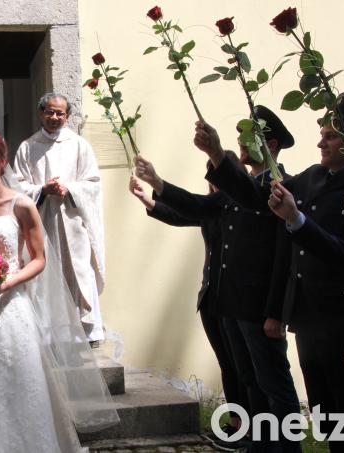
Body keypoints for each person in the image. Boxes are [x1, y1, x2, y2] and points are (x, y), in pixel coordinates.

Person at [136, 106, 303, 453]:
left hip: (259, 310)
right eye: (239, 135)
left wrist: (276, 311)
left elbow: (282, 259)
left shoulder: (279, 188)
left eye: (250, 135)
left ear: (270, 145)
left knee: (275, 387)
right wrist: (157, 184)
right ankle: (261, 445)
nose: (241, 141)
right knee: (252, 383)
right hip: (231, 306)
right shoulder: (242, 188)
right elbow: (198, 207)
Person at [195, 95, 344, 452]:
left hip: (342, 321)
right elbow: (255, 198)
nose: (320, 142)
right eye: (323, 134)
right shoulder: (313, 178)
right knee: (328, 420)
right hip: (310, 320)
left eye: (330, 135)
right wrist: (219, 156)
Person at [0, 130, 117, 453]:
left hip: (11, 307)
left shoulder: (22, 204)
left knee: (21, 380)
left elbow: (39, 259)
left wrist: (5, 283)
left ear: (2, 161)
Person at [128, 152, 250, 449]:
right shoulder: (212, 208)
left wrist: (156, 181)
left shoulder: (244, 206)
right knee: (228, 364)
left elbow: (190, 206)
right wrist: (148, 200)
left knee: (243, 366)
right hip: (211, 299)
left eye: (217, 172)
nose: (212, 180)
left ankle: (251, 429)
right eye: (209, 173)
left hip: (239, 301)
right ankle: (236, 424)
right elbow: (182, 214)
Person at [12, 92, 106, 345]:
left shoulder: (79, 145)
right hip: (42, 223)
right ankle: (49, 335)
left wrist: (70, 189)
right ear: (41, 113)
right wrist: (43, 190)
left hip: (74, 223)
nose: (54, 117)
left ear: (67, 116)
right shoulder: (27, 147)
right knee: (45, 276)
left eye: (60, 113)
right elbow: (17, 187)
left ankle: (84, 333)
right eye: (50, 112)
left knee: (79, 271)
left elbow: (93, 183)